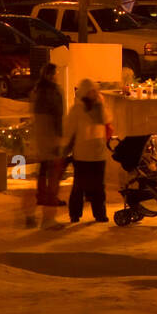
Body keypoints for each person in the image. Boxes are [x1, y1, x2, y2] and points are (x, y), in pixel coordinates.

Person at [63, 78, 114, 224]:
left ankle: (99, 214)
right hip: (83, 155)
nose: (94, 94)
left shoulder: (100, 108)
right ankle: (75, 213)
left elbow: (107, 120)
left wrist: (100, 104)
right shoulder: (77, 110)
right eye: (91, 91)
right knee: (79, 187)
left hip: (98, 154)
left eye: (95, 91)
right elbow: (69, 130)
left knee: (99, 187)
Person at [26, 63, 67, 228]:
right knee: (54, 178)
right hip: (51, 137)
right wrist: (59, 139)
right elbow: (58, 116)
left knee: (42, 174)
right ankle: (48, 218)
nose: (57, 76)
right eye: (56, 73)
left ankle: (32, 213)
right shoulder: (54, 92)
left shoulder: (37, 91)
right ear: (51, 75)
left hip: (40, 137)